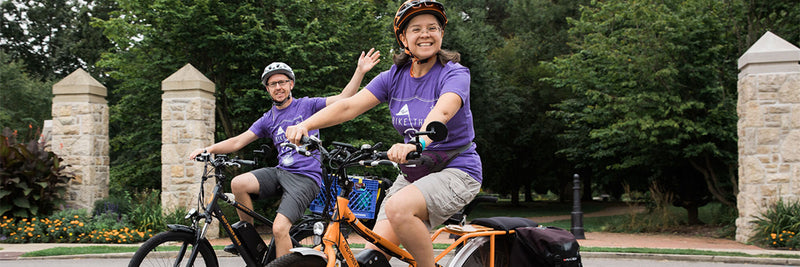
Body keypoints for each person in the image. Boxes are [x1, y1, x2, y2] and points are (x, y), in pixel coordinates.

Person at [285, 1, 481, 266]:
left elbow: (443, 112)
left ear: (441, 34)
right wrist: (305, 125)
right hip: (413, 175)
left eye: (432, 28)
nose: (425, 34)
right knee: (372, 257)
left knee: (398, 208)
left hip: (457, 170)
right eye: (416, 29)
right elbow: (348, 106)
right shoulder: (393, 76)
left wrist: (415, 143)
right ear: (403, 38)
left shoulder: (454, 74)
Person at [188, 49, 380, 258]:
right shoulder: (268, 118)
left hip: (305, 177)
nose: (278, 87)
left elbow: (344, 99)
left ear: (291, 85)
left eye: (282, 82)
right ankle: (248, 239)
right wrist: (208, 149)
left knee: (279, 229)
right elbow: (239, 140)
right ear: (267, 89)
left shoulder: (307, 105)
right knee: (238, 184)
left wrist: (360, 71)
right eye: (272, 84)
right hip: (281, 172)